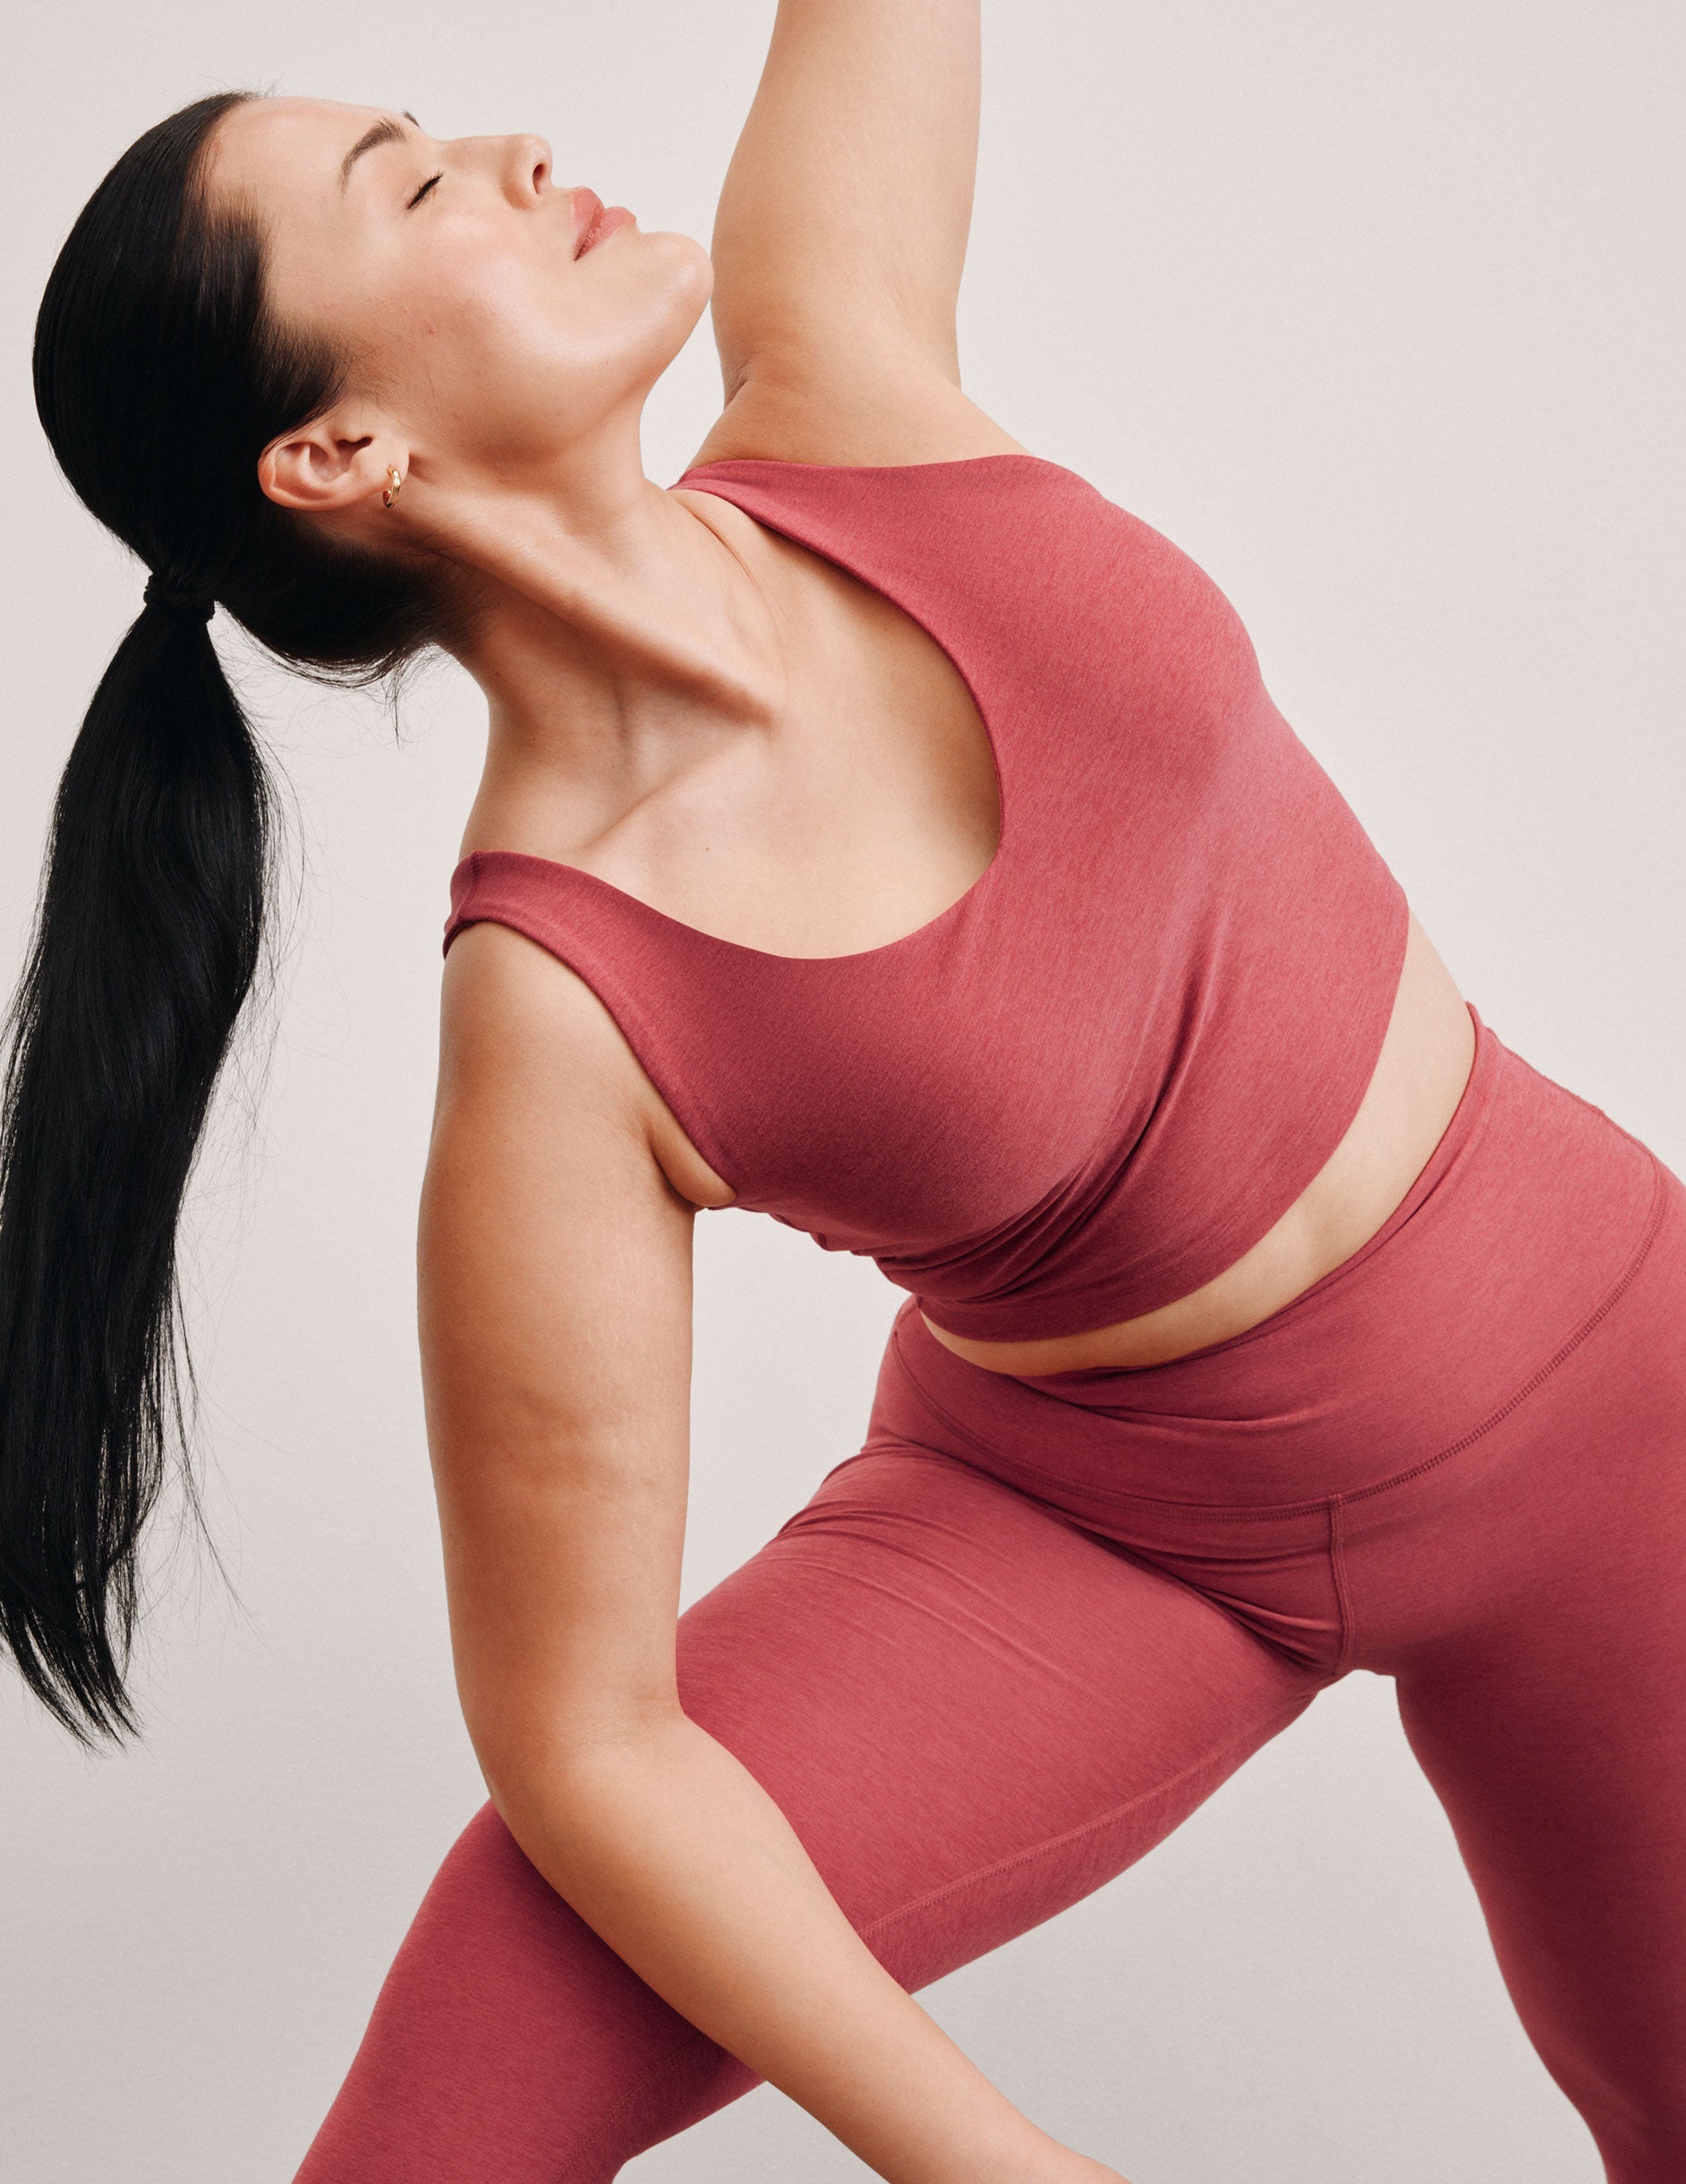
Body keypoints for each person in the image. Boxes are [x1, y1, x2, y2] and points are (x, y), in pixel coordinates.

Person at [7, 7, 1682, 2180]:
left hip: (1615, 1396)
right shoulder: (558, 1009)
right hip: (1103, 1534)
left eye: (442, 131)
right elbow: (584, 1742)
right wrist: (1002, 2167)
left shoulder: (842, 376)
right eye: (412, 188)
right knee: (480, 2036)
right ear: (339, 457)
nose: (513, 148)